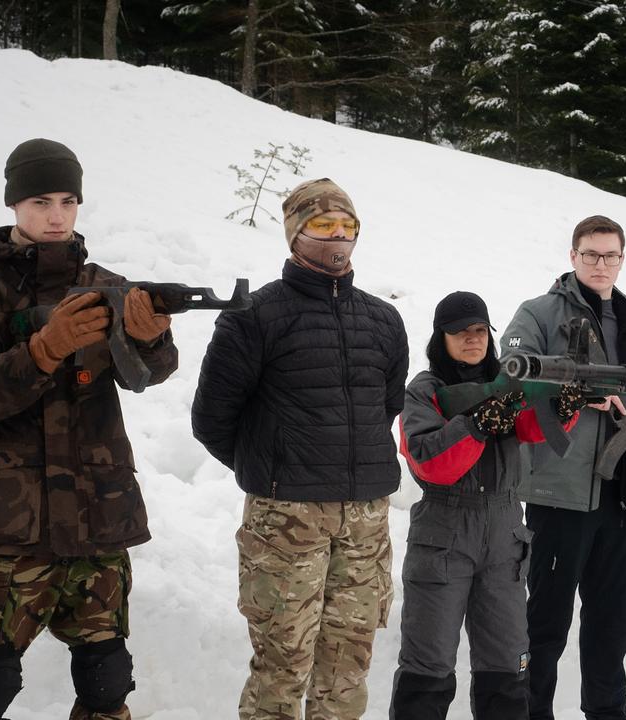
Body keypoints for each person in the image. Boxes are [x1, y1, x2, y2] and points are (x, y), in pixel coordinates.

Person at [0, 138, 178, 720]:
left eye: (68, 200)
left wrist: (149, 337)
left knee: (107, 677)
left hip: (97, 510)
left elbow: (149, 376)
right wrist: (43, 350)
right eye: (41, 200)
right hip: (9, 517)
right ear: (15, 203)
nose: (56, 215)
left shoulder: (105, 281)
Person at [191, 178, 408, 719]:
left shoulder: (383, 320)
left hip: (364, 522)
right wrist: (276, 469)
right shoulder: (255, 315)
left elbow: (384, 406)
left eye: (347, 226)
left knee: (348, 664)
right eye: (322, 225)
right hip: (286, 521)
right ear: (295, 234)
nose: (338, 236)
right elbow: (213, 420)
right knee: (282, 662)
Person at [389, 290, 586, 720]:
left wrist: (562, 405)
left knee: (508, 671)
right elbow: (429, 461)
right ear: (440, 337)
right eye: (460, 332)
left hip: (504, 533)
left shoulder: (506, 382)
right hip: (444, 529)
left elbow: (533, 427)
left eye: (480, 330)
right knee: (428, 671)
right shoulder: (425, 391)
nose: (472, 339)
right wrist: (476, 424)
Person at [501, 215, 626, 720]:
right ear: (573, 257)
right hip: (558, 493)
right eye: (590, 254)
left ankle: (608, 713)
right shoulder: (539, 313)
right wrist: (575, 395)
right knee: (545, 625)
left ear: (621, 259)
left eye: (610, 255)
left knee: (611, 625)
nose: (600, 264)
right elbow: (513, 377)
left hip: (617, 499)